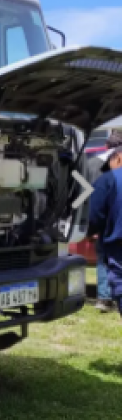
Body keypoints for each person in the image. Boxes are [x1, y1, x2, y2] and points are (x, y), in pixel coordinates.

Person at [87, 131, 122, 312]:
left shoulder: (101, 172)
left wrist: (86, 227)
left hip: (112, 232)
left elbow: (85, 197)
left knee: (104, 259)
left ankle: (104, 297)